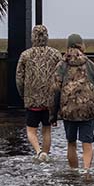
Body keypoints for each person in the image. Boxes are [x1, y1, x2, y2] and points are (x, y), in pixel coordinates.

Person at [51, 34, 94, 171]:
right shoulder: (91, 66)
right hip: (87, 110)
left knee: (71, 143)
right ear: (81, 46)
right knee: (87, 143)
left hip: (68, 111)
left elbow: (54, 91)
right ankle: (86, 170)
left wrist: (52, 115)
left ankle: (73, 171)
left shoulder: (61, 66)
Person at [15, 25, 62, 162]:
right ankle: (45, 155)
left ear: (32, 37)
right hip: (50, 100)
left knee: (31, 130)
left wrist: (23, 94)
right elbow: (60, 76)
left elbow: (19, 78)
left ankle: (38, 151)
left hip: (32, 99)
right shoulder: (56, 54)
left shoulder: (25, 55)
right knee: (47, 130)